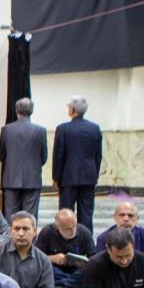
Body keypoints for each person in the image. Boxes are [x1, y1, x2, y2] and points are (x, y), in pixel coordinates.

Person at [52, 95, 103, 231]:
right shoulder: (95, 128)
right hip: (89, 177)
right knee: (86, 213)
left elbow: (58, 156)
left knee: (65, 212)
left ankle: (65, 237)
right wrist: (95, 175)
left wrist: (56, 177)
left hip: (68, 177)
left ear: (73, 109)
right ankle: (85, 238)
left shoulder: (63, 129)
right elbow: (98, 155)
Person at [0, 98, 47, 219]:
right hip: (33, 178)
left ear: (16, 110)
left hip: (11, 178)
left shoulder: (6, 129)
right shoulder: (40, 130)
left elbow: (2, 153)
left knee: (11, 216)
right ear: (32, 111)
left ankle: (13, 233)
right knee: (30, 217)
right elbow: (43, 156)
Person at [36, 209, 95, 288]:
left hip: (76, 269)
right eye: (68, 229)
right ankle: (72, 282)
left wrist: (84, 262)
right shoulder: (47, 232)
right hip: (55, 268)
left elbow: (93, 256)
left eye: (74, 226)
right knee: (44, 269)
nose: (72, 231)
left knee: (89, 270)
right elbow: (37, 257)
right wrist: (52, 258)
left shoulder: (84, 232)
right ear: (57, 227)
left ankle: (61, 283)